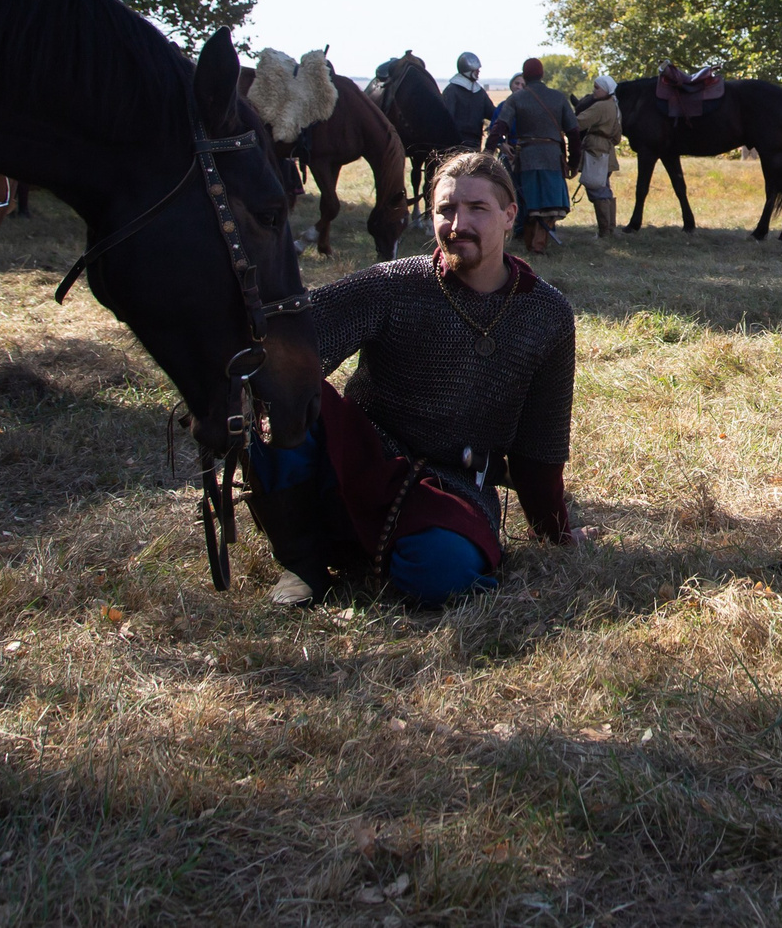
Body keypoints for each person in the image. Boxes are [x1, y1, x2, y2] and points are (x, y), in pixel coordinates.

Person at [249, 151, 589, 608]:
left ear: (510, 216)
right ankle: (302, 564)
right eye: (445, 209)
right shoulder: (392, 285)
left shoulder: (546, 315)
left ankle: (363, 548)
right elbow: (299, 342)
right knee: (283, 395)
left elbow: (539, 447)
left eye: (477, 209)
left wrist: (555, 531)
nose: (457, 224)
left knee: (442, 574)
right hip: (358, 458)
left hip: (452, 483)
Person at [494, 57, 578, 254]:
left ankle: (535, 245)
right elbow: (574, 132)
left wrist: (490, 150)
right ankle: (536, 246)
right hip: (553, 159)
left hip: (527, 159)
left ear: (525, 75)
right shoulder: (558, 97)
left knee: (531, 205)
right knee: (549, 205)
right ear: (542, 75)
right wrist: (574, 163)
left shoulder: (516, 98)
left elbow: (499, 126)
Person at [573, 73, 624, 238]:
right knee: (605, 189)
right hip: (608, 152)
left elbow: (578, 123)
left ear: (606, 89)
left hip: (596, 150)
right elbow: (617, 137)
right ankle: (610, 229)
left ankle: (604, 232)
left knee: (597, 189)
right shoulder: (615, 107)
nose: (594, 91)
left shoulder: (600, 106)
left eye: (597, 87)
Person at [438, 51, 495, 149]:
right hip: (455, 145)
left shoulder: (479, 92)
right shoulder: (452, 91)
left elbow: (492, 113)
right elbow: (446, 120)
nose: (478, 72)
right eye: (476, 70)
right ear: (468, 70)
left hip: (475, 143)